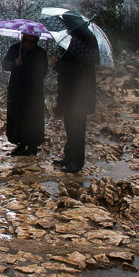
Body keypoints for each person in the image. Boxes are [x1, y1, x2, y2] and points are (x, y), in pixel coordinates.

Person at [53, 13, 98, 172]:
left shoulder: (83, 44)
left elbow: (73, 70)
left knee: (77, 128)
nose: (67, 28)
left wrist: (57, 65)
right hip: (72, 94)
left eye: (68, 25)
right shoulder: (79, 42)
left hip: (78, 96)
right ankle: (69, 157)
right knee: (70, 126)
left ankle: (76, 162)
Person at [1, 32, 47, 156]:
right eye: (27, 41)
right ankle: (20, 143)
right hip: (17, 89)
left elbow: (43, 72)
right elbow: (5, 65)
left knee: (32, 117)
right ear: (22, 39)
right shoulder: (15, 49)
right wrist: (15, 64)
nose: (29, 44)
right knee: (17, 116)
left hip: (33, 91)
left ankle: (33, 145)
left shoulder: (41, 53)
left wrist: (29, 65)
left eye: (32, 42)